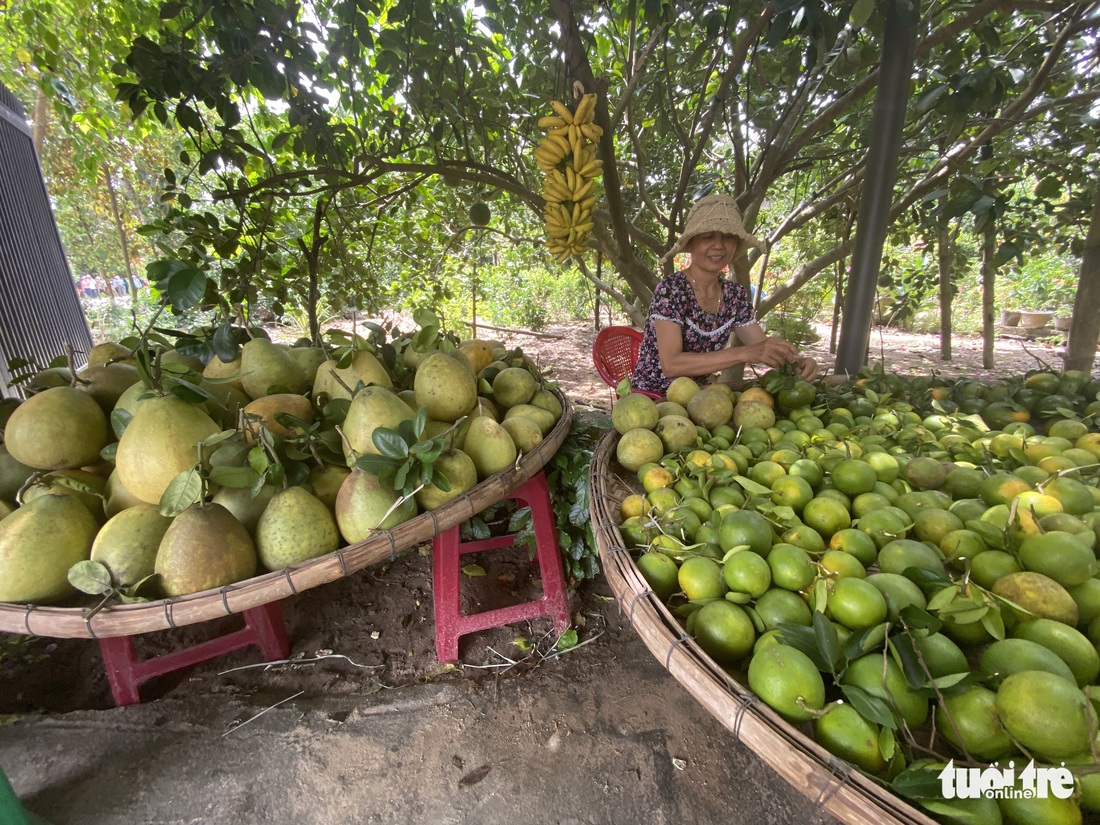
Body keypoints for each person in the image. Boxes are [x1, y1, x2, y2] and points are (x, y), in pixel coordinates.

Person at [631, 194, 818, 395]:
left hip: (699, 398)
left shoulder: (734, 295)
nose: (719, 245)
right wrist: (744, 353)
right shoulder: (671, 290)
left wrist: (796, 362)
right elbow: (672, 364)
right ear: (692, 244)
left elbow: (760, 346)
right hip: (653, 398)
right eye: (708, 236)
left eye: (727, 237)